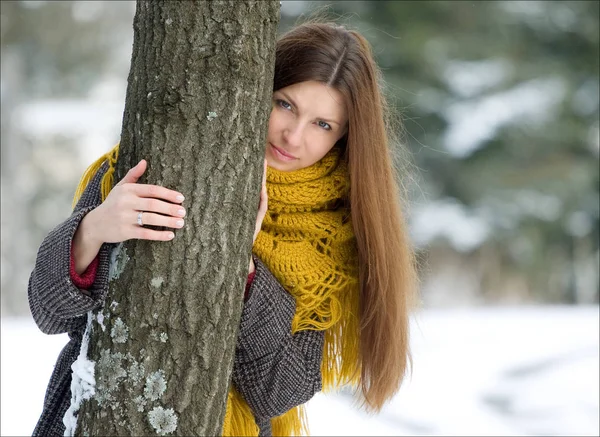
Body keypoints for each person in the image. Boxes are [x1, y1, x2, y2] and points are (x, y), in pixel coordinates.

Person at [28, 18, 418, 437]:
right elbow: (49, 314)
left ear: (343, 137)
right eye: (285, 104)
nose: (293, 134)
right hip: (100, 418)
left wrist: (243, 267)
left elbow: (278, 392)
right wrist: (93, 230)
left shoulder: (334, 233)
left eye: (323, 125)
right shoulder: (144, 166)